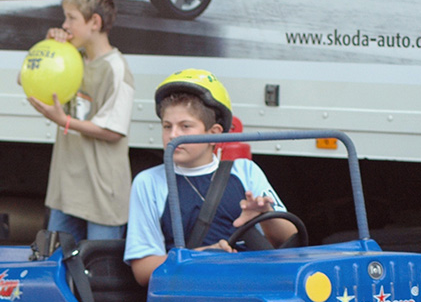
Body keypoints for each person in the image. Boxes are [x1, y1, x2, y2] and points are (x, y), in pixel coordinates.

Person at [124, 69, 297, 286]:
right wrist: (200, 257)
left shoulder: (245, 171)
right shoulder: (148, 182)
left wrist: (266, 214)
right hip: (190, 295)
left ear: (214, 134)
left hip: (252, 289)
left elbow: (290, 240)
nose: (173, 135)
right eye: (167, 126)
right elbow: (142, 271)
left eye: (185, 126)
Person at [28, 0, 134, 242]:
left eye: (71, 18)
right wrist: (48, 48)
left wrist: (63, 121)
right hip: (66, 191)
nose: (64, 25)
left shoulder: (116, 68)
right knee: (58, 259)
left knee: (97, 264)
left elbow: (113, 131)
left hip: (101, 193)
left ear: (95, 22)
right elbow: (26, 78)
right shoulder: (71, 57)